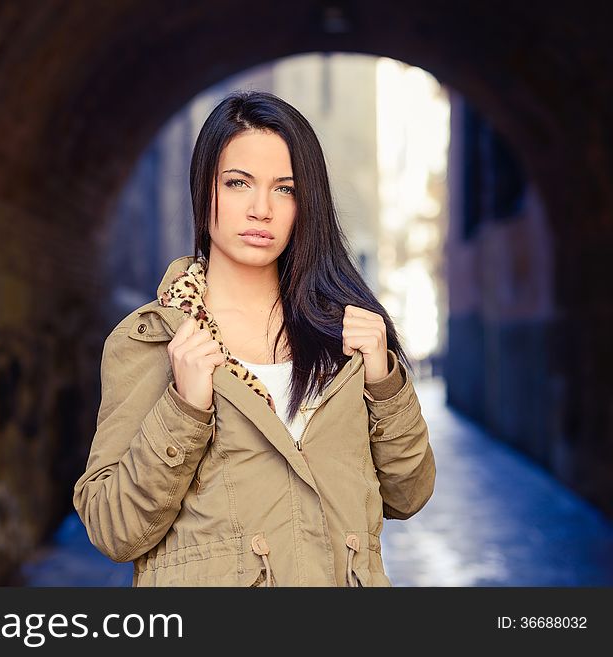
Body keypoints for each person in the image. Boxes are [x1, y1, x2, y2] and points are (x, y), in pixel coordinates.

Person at [73, 90, 435, 587]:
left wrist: (384, 384)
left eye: (284, 189)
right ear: (206, 191)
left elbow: (408, 494)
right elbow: (113, 530)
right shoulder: (154, 341)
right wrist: (183, 410)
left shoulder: (343, 339)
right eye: (239, 183)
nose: (261, 208)